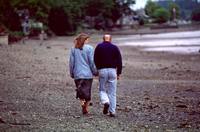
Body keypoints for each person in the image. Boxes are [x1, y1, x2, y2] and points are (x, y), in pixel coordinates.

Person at [94, 34, 122, 117]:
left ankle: (106, 101)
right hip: (113, 70)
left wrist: (98, 69)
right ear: (110, 39)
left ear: (103, 39)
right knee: (112, 92)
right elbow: (119, 61)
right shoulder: (115, 47)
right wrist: (119, 73)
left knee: (102, 89)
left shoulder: (99, 47)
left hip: (102, 70)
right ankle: (112, 111)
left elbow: (95, 59)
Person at [69, 33, 97, 115]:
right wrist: (95, 72)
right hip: (88, 74)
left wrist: (72, 73)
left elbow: (71, 63)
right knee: (87, 91)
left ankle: (82, 103)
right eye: (87, 39)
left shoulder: (73, 49)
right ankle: (86, 108)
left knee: (80, 90)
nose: (88, 41)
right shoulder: (90, 48)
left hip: (77, 74)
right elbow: (91, 62)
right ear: (84, 40)